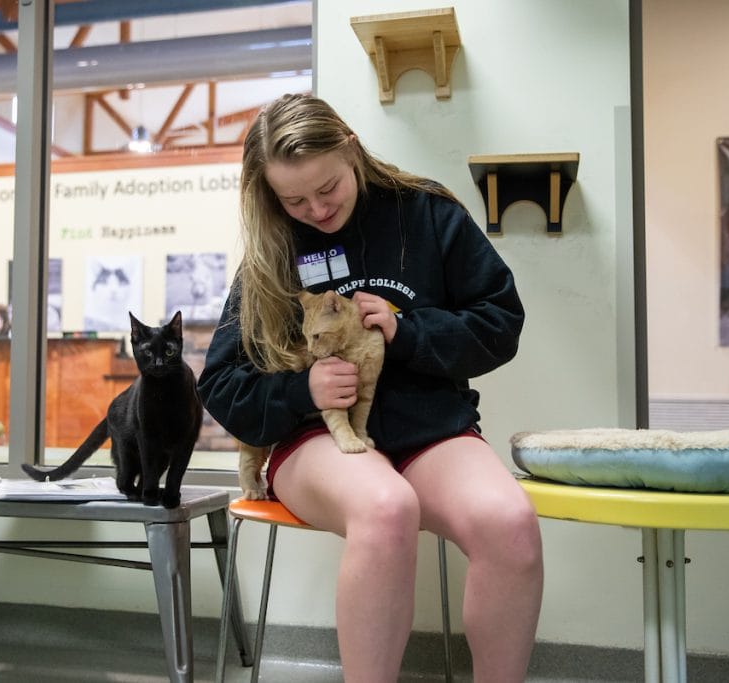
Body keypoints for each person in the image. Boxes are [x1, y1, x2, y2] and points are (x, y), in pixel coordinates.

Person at [198, 94, 543, 682]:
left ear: (351, 148)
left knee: (509, 522)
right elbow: (222, 384)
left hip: (427, 429)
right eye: (293, 199)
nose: (315, 209)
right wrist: (302, 390)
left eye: (327, 187)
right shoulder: (271, 250)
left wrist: (409, 332)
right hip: (314, 440)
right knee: (385, 507)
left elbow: (500, 322)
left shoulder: (428, 213)